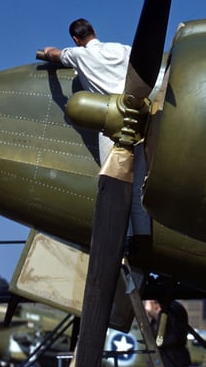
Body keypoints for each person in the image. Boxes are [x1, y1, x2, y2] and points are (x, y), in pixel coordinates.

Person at [41, 18, 150, 243]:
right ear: (94, 31)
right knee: (139, 183)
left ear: (75, 39)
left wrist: (48, 51)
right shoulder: (121, 49)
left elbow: (54, 55)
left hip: (111, 124)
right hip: (137, 120)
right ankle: (143, 235)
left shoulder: (78, 54)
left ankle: (125, 238)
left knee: (114, 182)